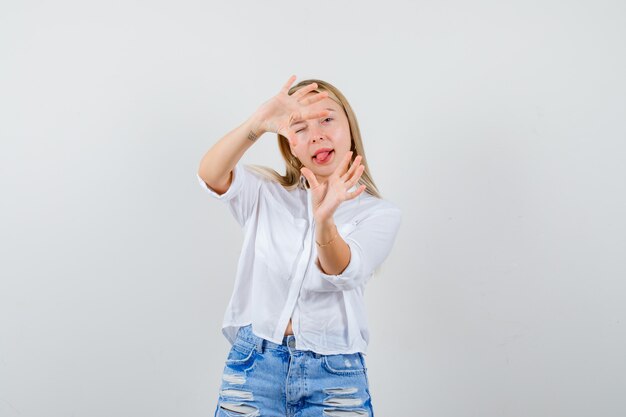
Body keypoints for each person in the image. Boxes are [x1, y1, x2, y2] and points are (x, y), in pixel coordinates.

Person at [197, 75, 401, 417]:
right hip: (253, 368)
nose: (317, 133)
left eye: (326, 119)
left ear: (349, 126)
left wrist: (324, 221)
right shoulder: (265, 193)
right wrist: (257, 123)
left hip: (334, 378)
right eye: (300, 127)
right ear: (289, 143)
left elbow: (343, 270)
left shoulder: (380, 213)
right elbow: (210, 175)